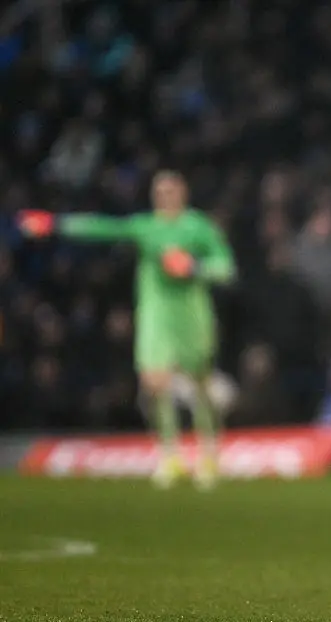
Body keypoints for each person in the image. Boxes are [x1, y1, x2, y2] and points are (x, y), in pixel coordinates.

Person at [17, 171, 237, 490]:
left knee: (199, 384)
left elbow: (226, 268)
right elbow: (103, 228)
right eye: (159, 191)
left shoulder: (199, 227)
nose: (164, 196)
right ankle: (171, 457)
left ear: (183, 192)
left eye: (170, 190)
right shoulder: (145, 226)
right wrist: (54, 224)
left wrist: (194, 267)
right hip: (155, 314)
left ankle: (209, 455)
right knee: (154, 381)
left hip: (192, 315)